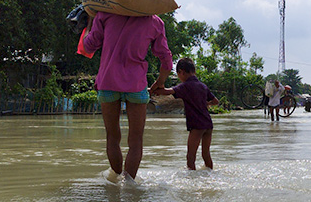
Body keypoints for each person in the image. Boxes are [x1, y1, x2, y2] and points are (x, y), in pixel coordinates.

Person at [77, 11, 173, 183]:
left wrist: (91, 18)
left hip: (108, 82)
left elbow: (89, 46)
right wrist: (160, 81)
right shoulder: (154, 21)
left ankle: (114, 181)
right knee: (136, 140)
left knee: (112, 137)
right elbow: (166, 58)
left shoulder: (104, 15)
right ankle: (129, 184)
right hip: (136, 85)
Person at [153, 58, 219, 170]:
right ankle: (210, 176)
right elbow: (216, 101)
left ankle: (192, 181)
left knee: (190, 156)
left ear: (181, 72)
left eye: (178, 74)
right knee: (206, 154)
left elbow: (167, 92)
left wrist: (150, 90)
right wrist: (206, 103)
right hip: (208, 124)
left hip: (197, 126)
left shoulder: (185, 86)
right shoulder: (203, 86)